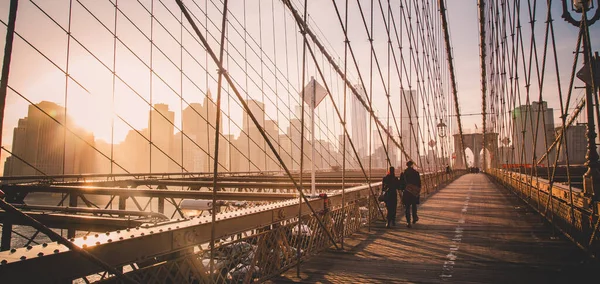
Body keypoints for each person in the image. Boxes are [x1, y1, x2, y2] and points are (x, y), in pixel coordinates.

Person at [399, 161, 421, 228]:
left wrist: (402, 190)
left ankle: (408, 222)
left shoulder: (403, 173)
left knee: (407, 207)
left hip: (406, 192)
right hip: (414, 192)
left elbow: (401, 184)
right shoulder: (416, 173)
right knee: (414, 205)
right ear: (412, 165)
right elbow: (419, 183)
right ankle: (414, 217)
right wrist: (417, 191)